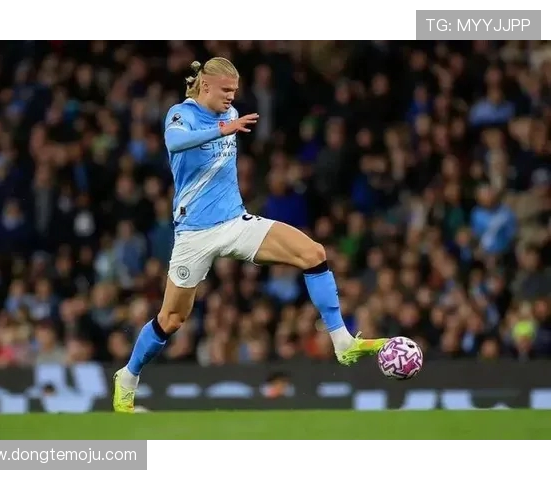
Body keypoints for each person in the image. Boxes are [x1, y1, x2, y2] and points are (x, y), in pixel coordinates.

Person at [112, 57, 388, 412]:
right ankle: (128, 377)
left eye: (235, 90)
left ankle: (342, 341)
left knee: (314, 253)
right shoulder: (182, 114)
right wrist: (221, 130)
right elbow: (174, 142)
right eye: (226, 90)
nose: (231, 97)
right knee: (172, 319)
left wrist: (227, 125)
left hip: (235, 222)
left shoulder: (231, 113)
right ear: (206, 86)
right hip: (194, 233)